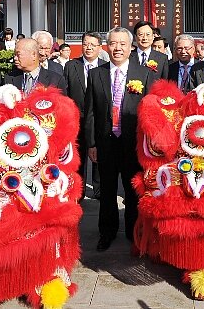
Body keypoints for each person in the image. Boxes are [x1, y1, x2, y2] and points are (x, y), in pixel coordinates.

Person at [85, 27, 154, 252]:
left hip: (132, 143)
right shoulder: (97, 74)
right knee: (106, 191)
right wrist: (92, 143)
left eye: (122, 44)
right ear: (107, 46)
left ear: (131, 46)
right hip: (105, 142)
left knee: (132, 190)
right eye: (113, 43)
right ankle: (107, 231)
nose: (117, 48)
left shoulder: (144, 73)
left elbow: (150, 112)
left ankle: (134, 232)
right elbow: (91, 112)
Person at [64, 31, 106, 201]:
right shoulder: (71, 66)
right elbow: (66, 93)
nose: (88, 48)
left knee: (99, 155)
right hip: (78, 119)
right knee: (79, 157)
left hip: (98, 119)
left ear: (100, 47)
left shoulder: (105, 66)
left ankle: (99, 189)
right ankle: (78, 191)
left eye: (92, 45)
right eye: (85, 44)